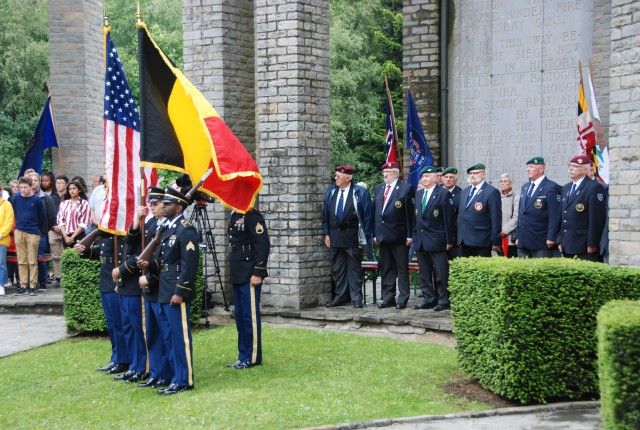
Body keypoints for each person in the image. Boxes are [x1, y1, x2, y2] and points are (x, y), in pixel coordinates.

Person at [155, 187, 199, 395]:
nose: (163, 206)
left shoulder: (186, 229)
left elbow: (189, 264)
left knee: (179, 337)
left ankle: (184, 379)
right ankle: (174, 376)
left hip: (175, 290)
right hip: (164, 288)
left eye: (168, 203)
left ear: (179, 207)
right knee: (168, 336)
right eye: (163, 203)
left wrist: (180, 290)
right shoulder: (168, 228)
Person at [74, 231, 129, 375]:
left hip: (114, 281)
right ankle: (116, 357)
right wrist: (86, 251)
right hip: (105, 280)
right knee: (111, 324)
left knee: (119, 324)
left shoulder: (119, 231)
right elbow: (102, 253)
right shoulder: (108, 234)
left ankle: (123, 360)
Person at [322, 166, 373, 309]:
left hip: (353, 237)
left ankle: (356, 298)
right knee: (338, 269)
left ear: (347, 178)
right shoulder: (331, 192)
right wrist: (326, 233)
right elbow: (325, 214)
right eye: (336, 175)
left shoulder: (360, 192)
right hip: (335, 236)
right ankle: (340, 297)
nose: (335, 178)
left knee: (354, 269)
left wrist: (364, 239)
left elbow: (367, 218)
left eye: (338, 176)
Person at [227, 203, 270, 369]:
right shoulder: (235, 213)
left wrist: (258, 272)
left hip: (249, 271)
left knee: (249, 316)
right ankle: (242, 355)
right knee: (240, 315)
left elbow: (263, 244)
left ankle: (252, 357)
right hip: (238, 270)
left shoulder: (252, 215)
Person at [137, 187, 172, 388]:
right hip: (149, 288)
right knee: (152, 334)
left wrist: (149, 277)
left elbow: (163, 259)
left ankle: (166, 373)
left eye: (156, 203)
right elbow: (138, 248)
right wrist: (136, 222)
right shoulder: (151, 224)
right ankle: (156, 372)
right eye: (151, 203)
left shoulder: (169, 228)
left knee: (164, 334)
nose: (152, 206)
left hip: (159, 286)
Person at [373, 161, 415, 309]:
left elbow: (410, 215)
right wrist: (375, 233)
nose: (385, 175)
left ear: (396, 173)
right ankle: (388, 297)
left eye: (388, 172)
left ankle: (402, 298)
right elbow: (376, 213)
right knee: (387, 268)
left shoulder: (406, 189)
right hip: (383, 236)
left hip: (399, 236)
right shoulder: (379, 189)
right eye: (384, 172)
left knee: (401, 268)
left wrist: (409, 236)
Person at [412, 166, 454, 311]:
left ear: (437, 178)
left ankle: (443, 300)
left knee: (441, 273)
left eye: (428, 176)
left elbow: (448, 219)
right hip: (421, 240)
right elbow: (416, 217)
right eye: (423, 176)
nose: (424, 179)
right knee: (424, 273)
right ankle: (429, 298)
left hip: (437, 240)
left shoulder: (443, 194)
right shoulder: (418, 194)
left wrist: (449, 240)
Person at [557, 155, 606, 261]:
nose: (570, 168)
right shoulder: (566, 188)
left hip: (583, 244)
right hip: (566, 243)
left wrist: (592, 243)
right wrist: (560, 240)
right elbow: (562, 216)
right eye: (570, 165)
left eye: (575, 166)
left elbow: (596, 219)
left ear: (585, 170)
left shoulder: (593, 187)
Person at [516, 157, 561, 258]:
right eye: (527, 167)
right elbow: (521, 214)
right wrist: (518, 236)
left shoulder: (551, 187)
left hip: (541, 241)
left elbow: (554, 216)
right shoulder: (525, 187)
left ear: (541, 169)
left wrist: (551, 237)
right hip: (524, 240)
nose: (528, 169)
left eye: (531, 167)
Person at [457, 163, 502, 257]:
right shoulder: (464, 192)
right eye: (470, 173)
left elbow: (495, 218)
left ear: (483, 174)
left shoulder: (491, 192)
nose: (472, 175)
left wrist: (496, 240)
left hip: (481, 240)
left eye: (476, 173)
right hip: (464, 240)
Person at [11, 177, 46, 296]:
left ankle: (32, 284)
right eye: (20, 187)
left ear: (31, 187)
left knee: (32, 260)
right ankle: (23, 284)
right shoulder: (16, 198)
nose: (22, 190)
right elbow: (16, 213)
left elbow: (42, 218)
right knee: (21, 260)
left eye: (25, 187)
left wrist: (38, 232)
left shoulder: (36, 200)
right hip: (19, 230)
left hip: (33, 232)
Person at [26, 170, 56, 292]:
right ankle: (30, 282)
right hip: (26, 232)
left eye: (35, 180)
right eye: (31, 180)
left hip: (40, 233)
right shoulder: (24, 197)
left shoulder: (46, 198)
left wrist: (43, 231)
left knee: (40, 257)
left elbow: (51, 217)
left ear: (39, 182)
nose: (33, 183)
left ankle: (42, 282)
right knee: (28, 258)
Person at [57, 181, 91, 248]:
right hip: (65, 235)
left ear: (79, 190)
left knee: (78, 255)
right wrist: (65, 236)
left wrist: (72, 237)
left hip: (79, 235)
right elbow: (60, 220)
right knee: (67, 256)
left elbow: (84, 223)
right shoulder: (63, 204)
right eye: (70, 189)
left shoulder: (85, 203)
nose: (72, 191)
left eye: (74, 188)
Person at [442, 167, 462, 259]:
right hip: (437, 236)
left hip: (454, 238)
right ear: (442, 179)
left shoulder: (461, 194)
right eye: (446, 177)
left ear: (456, 180)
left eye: (451, 177)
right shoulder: (436, 192)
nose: (448, 179)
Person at [499, 173, 519, 257]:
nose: (502, 183)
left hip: (510, 238)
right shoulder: (497, 197)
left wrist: (504, 230)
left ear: (510, 183)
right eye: (501, 181)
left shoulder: (516, 197)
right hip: (498, 238)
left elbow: (516, 217)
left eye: (505, 181)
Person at [0, 182, 15, 296]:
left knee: (1, 262)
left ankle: (1, 284)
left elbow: (9, 221)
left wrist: (1, 233)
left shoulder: (6, 205)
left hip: (2, 238)